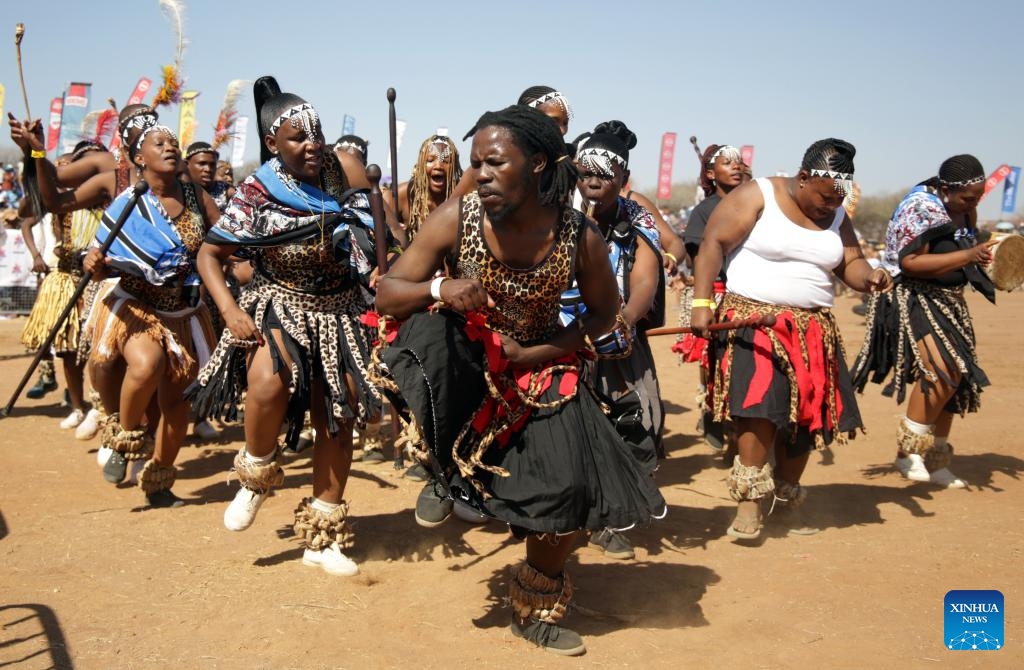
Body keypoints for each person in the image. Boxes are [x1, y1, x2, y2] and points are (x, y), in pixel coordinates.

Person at [374, 105, 665, 656]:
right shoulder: (456, 219)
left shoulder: (578, 236)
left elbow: (603, 314)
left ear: (535, 163)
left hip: (541, 366)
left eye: (494, 163)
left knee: (567, 491)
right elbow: (389, 291)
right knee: (437, 369)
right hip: (463, 361)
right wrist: (441, 291)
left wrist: (536, 351)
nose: (478, 173)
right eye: (476, 163)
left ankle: (534, 605)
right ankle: (445, 473)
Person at [190, 76, 389, 576]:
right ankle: (255, 475)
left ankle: (322, 537)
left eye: (316, 133)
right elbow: (210, 255)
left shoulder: (342, 171)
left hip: (342, 308)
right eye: (298, 137)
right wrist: (231, 312)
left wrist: (378, 268)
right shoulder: (258, 190)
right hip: (281, 299)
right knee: (267, 381)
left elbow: (369, 229)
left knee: (339, 413)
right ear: (273, 144)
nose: (312, 144)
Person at [690, 138, 891, 541]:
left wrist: (869, 277)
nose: (829, 207)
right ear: (803, 178)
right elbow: (713, 243)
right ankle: (748, 499)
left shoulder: (835, 215)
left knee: (805, 417)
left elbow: (849, 263)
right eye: (823, 198)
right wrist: (701, 302)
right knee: (759, 409)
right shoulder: (758, 194)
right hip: (754, 321)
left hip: (812, 331)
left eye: (837, 201)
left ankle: (785, 494)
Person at [850, 155, 995, 489]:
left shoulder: (963, 204)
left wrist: (984, 250)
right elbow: (911, 261)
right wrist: (967, 255)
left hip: (951, 302)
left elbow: (966, 242)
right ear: (945, 189)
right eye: (968, 198)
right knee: (940, 372)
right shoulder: (920, 207)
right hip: (915, 297)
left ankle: (936, 458)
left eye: (978, 196)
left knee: (956, 380)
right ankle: (907, 452)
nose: (973, 203)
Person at [566, 121, 665, 561]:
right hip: (563, 341)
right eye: (585, 173)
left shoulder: (637, 218)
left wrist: (621, 321)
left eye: (603, 176)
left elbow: (645, 279)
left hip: (619, 344)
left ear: (622, 180)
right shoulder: (557, 212)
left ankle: (610, 517)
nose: (592, 182)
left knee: (634, 425)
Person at [18, 142, 107, 428]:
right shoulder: (62, 199)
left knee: (97, 349)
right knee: (68, 349)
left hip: (100, 280)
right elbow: (26, 209)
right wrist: (32, 156)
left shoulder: (108, 194)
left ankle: (100, 404)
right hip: (67, 278)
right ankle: (78, 406)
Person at [676, 145, 745, 455]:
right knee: (715, 362)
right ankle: (714, 412)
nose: (736, 166)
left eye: (739, 162)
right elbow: (695, 255)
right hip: (715, 294)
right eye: (726, 162)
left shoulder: (754, 205)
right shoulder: (705, 211)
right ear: (710, 173)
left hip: (749, 295)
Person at [184, 142, 231, 213]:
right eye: (202, 163)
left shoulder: (228, 192)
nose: (208, 169)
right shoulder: (176, 192)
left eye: (212, 164)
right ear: (186, 165)